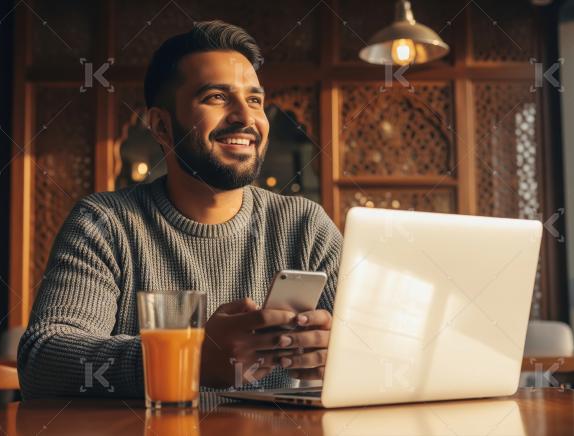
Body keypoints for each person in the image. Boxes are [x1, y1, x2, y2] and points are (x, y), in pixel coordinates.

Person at [17, 20, 343, 398]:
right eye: (216, 97)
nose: (245, 116)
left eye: (255, 100)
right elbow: (43, 362)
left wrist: (343, 355)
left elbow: (381, 351)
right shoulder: (105, 224)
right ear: (160, 125)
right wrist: (190, 359)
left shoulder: (306, 225)